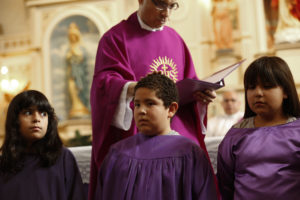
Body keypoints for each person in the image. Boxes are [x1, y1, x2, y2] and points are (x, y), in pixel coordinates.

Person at [89, 0, 216, 199]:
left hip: (176, 134)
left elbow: (189, 81)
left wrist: (201, 96)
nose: (166, 13)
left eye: (172, 6)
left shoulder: (175, 39)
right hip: (136, 136)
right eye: (160, 4)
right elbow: (103, 86)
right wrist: (138, 89)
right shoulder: (115, 38)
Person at [95, 73, 218, 200]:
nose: (141, 110)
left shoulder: (189, 153)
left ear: (171, 109)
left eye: (150, 103)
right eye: (137, 104)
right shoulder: (118, 153)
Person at [217, 56, 300, 200]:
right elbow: (225, 184)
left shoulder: (297, 131)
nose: (258, 93)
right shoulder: (236, 133)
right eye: (251, 87)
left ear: (285, 91)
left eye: (267, 86)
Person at [0, 90, 86, 200]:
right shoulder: (4, 164)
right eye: (28, 113)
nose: (37, 119)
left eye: (43, 114)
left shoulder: (63, 158)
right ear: (15, 120)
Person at [66, 22, 90, 118]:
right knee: (71, 88)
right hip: (72, 74)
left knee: (80, 88)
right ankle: (75, 106)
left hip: (80, 75)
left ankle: (82, 106)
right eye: (70, 36)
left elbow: (83, 61)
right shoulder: (69, 49)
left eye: (74, 36)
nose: (72, 38)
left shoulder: (81, 48)